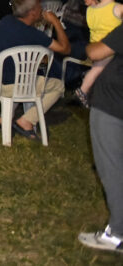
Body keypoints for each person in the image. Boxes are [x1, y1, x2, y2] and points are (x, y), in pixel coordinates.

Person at [0, 0, 70, 139]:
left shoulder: (6, 20)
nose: (42, 9)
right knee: (58, 86)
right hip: (7, 86)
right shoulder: (32, 34)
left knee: (22, 77)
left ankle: (4, 119)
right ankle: (27, 121)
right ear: (32, 12)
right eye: (39, 6)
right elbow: (65, 49)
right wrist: (56, 22)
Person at [77, 25, 123, 252]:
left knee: (112, 169)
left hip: (112, 106)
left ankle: (117, 233)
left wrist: (95, 39)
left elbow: (95, 52)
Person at [76, 0, 123, 107]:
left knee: (96, 70)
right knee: (97, 70)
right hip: (108, 47)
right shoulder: (118, 8)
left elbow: (100, 10)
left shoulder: (90, 9)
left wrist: (94, 0)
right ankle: (83, 90)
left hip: (94, 45)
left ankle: (88, 88)